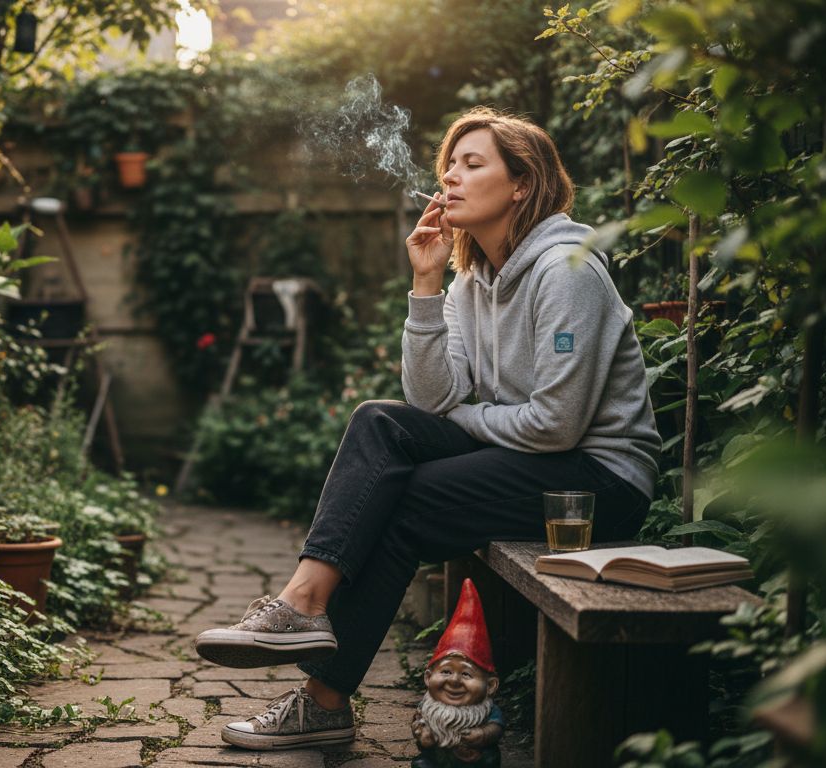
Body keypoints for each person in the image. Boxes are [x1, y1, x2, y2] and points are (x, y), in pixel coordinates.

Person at [195, 106, 661, 750]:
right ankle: (305, 616)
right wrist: (425, 282)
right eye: (449, 165)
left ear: (522, 183)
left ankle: (319, 678)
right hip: (530, 459)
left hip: (599, 479)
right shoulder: (471, 281)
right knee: (380, 421)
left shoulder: (566, 271)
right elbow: (429, 397)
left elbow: (556, 425)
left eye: (474, 165)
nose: (451, 177)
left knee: (404, 497)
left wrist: (462, 419)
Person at [412, 579, 503, 768]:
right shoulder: (426, 707)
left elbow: (495, 728)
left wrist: (483, 735)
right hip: (436, 759)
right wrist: (423, 734)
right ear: (428, 678)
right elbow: (419, 727)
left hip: (476, 760)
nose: (454, 681)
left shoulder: (488, 711)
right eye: (445, 671)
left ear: (491, 685)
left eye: (466, 675)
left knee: (489, 761)